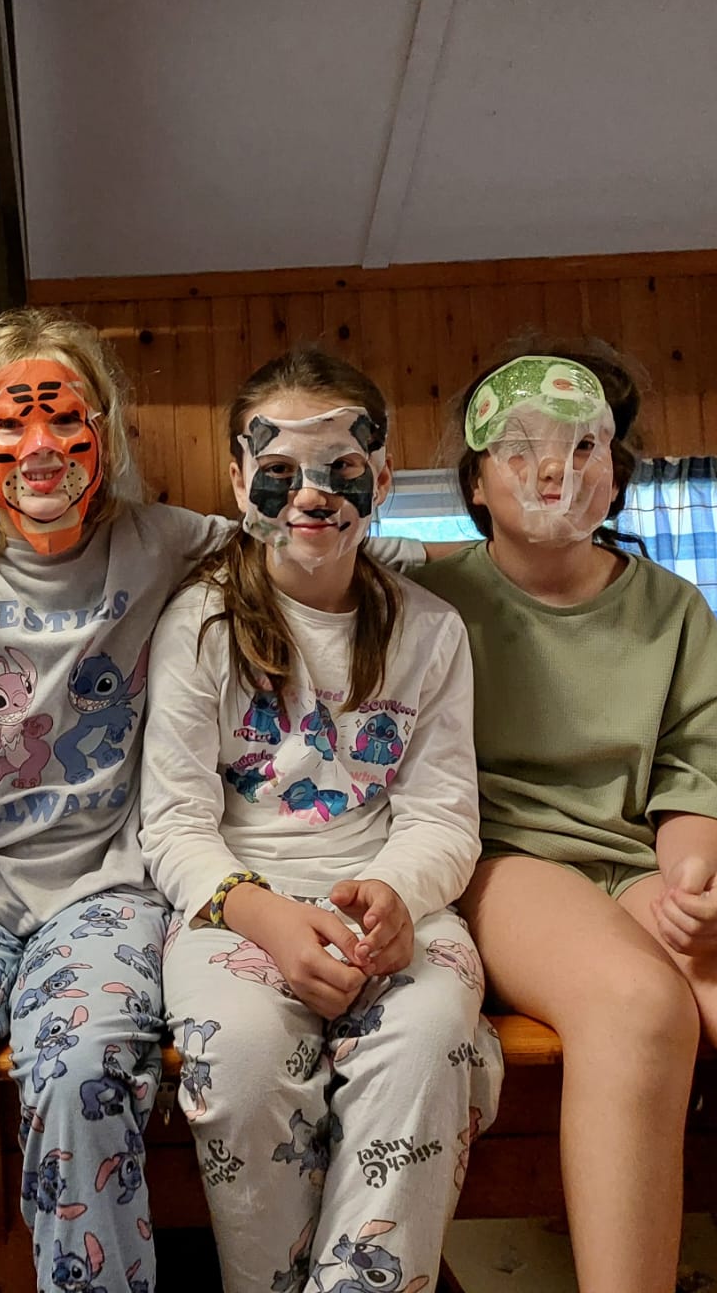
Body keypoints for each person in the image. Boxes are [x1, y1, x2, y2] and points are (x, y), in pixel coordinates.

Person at [0, 311, 430, 1293]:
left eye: (64, 419)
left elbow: (307, 539)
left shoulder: (160, 541)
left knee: (88, 1077)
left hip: (108, 893)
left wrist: (488, 563)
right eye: (10, 424)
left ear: (105, 431)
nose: (40, 446)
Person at [410, 343, 717, 1293]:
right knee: (636, 1003)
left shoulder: (674, 609)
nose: (553, 469)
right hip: (506, 862)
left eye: (583, 447)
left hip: (645, 857)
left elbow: (701, 772)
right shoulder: (430, 602)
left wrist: (698, 874)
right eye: (520, 449)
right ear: (476, 482)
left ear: (616, 475)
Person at [141, 345, 500, 1293]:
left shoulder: (431, 632)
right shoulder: (200, 627)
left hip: (391, 903)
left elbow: (444, 816)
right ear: (238, 481)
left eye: (341, 468)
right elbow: (173, 824)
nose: (311, 495)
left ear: (381, 474)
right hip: (236, 906)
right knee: (243, 1057)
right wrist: (261, 914)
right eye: (278, 471)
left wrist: (393, 894)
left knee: (432, 1040)